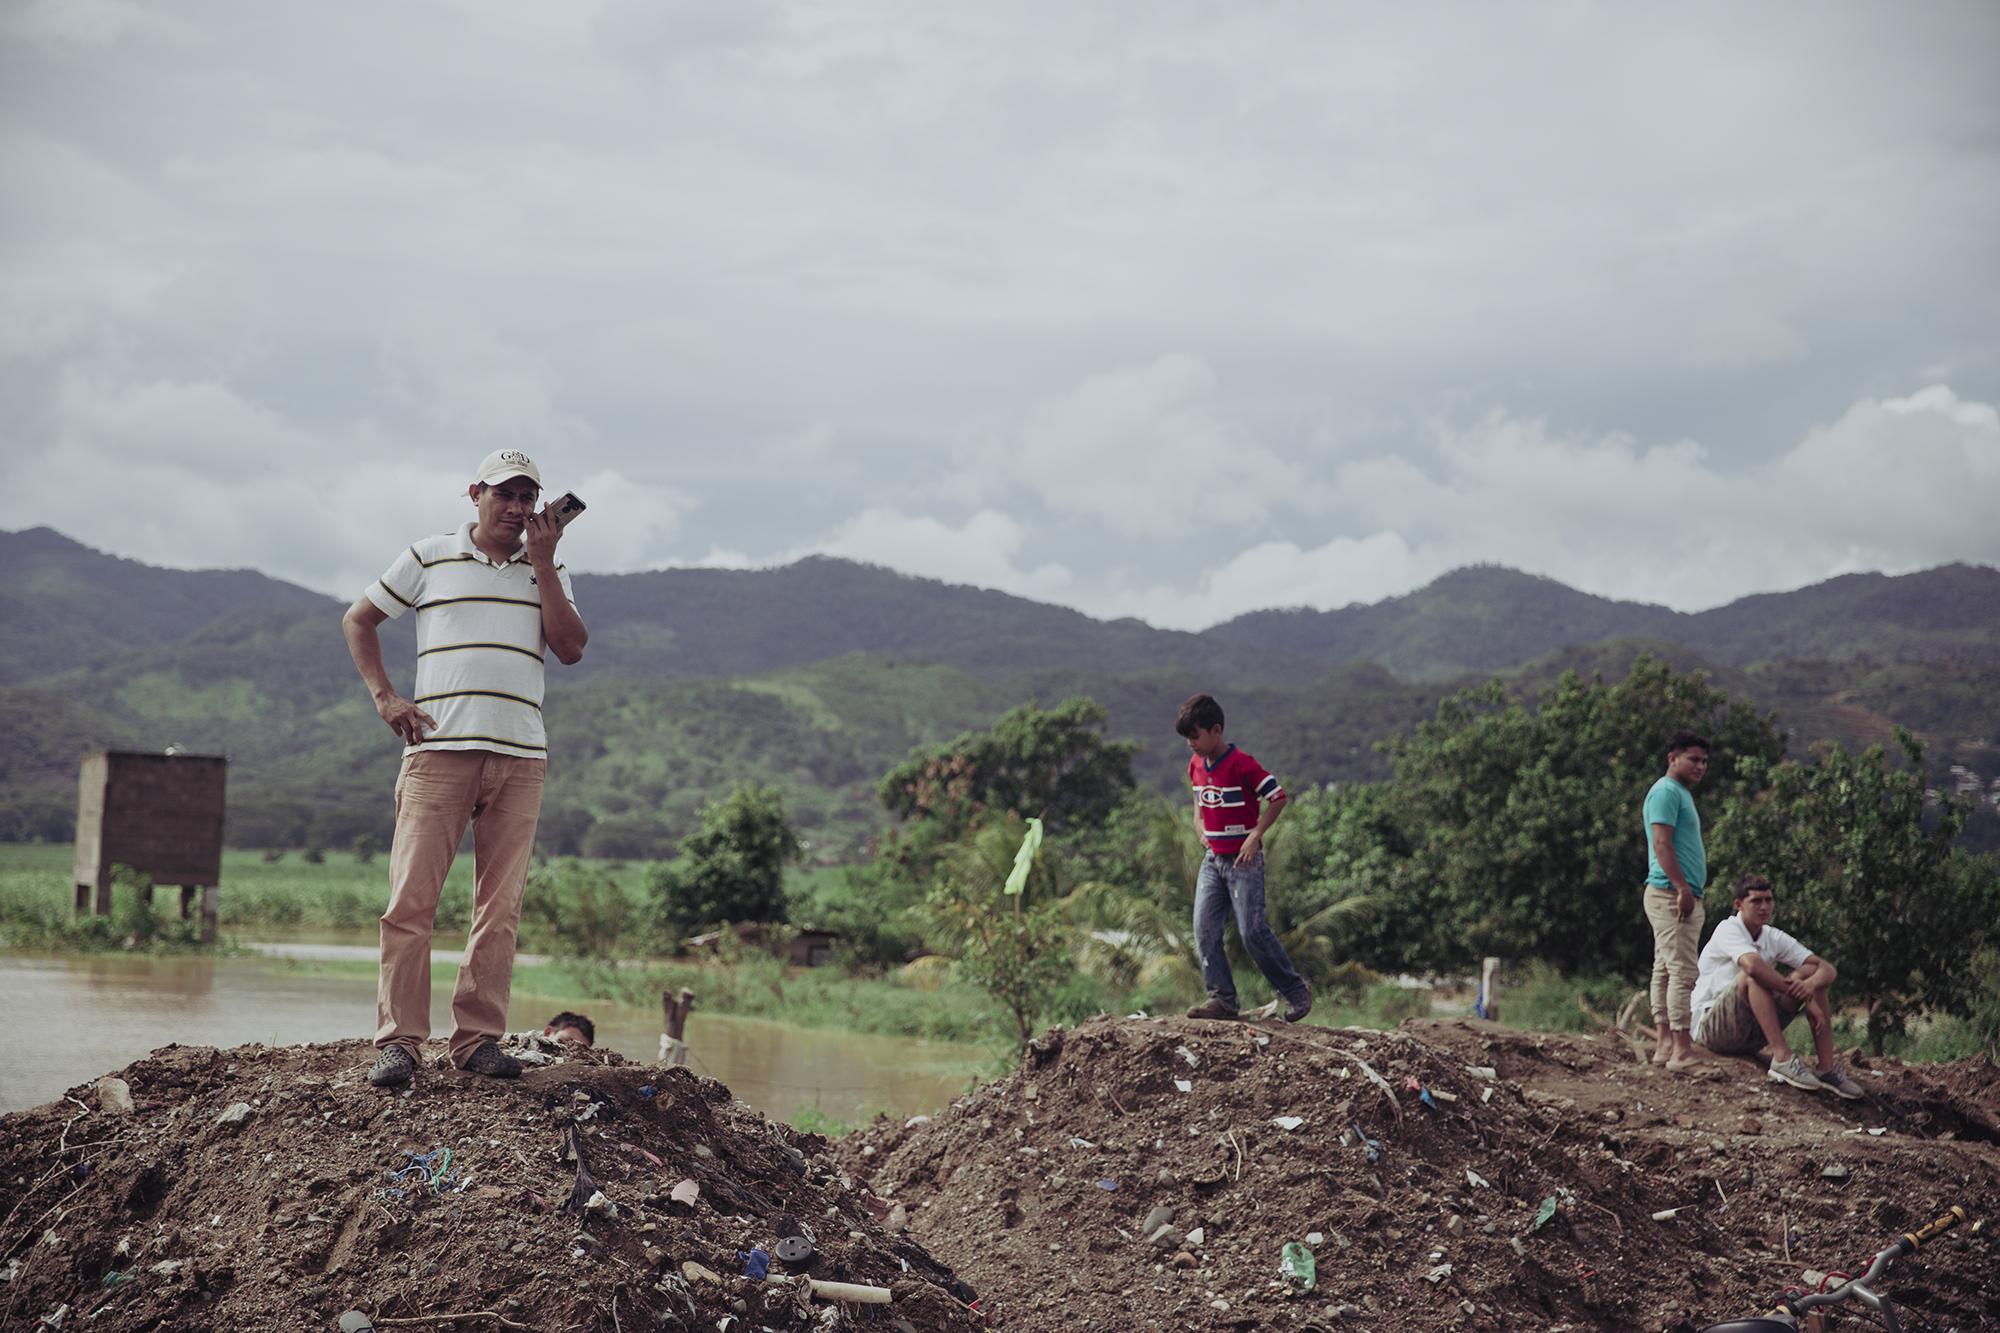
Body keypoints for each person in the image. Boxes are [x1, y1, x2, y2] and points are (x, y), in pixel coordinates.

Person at [341, 449, 588, 1088]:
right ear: (475, 493)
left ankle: (477, 1040)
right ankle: (399, 1042)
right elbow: (359, 619)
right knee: (410, 902)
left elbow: (571, 649)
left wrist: (542, 566)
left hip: (520, 757)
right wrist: (385, 698)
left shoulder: (549, 568)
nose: (516, 508)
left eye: (526, 497)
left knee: (499, 909)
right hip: (439, 754)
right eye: (503, 494)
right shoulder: (428, 556)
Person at [1176, 693, 1312, 1023]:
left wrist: (1255, 834)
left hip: (1243, 863)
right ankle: (1222, 999)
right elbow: (1198, 804)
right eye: (1188, 738)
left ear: (1216, 730)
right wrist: (1199, 828)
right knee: (1204, 929)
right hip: (1213, 861)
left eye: (1195, 736)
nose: (1191, 744)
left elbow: (1277, 798)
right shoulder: (1196, 765)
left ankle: (1295, 991)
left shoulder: (1243, 765)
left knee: (1251, 931)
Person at [1689, 875, 1865, 1098]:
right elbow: (1752, 967)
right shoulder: (1728, 929)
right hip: (1712, 1029)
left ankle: (1826, 1068)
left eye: (1768, 900)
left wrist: (1807, 986)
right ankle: (1782, 1058)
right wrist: (1805, 999)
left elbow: (1827, 968)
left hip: (1750, 1031)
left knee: (1812, 975)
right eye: (1756, 901)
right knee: (1752, 976)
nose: (1764, 907)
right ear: (1738, 905)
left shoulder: (1772, 935)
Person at [1643, 731, 1710, 1070]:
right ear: (1673, 758)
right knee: (1682, 972)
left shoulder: (1677, 792)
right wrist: (1682, 887)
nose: (1701, 766)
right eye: (1694, 759)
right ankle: (1681, 1052)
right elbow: (1661, 843)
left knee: (1666, 970)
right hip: (1671, 894)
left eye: (1704, 761)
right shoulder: (1666, 791)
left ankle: (1665, 1046)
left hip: (1675, 893)